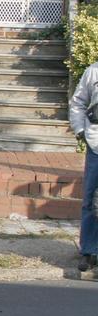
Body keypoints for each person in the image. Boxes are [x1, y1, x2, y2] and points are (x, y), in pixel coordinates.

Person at [69, 61, 98, 272]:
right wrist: (80, 129)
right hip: (96, 143)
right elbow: (78, 102)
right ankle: (88, 250)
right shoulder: (93, 72)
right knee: (89, 200)